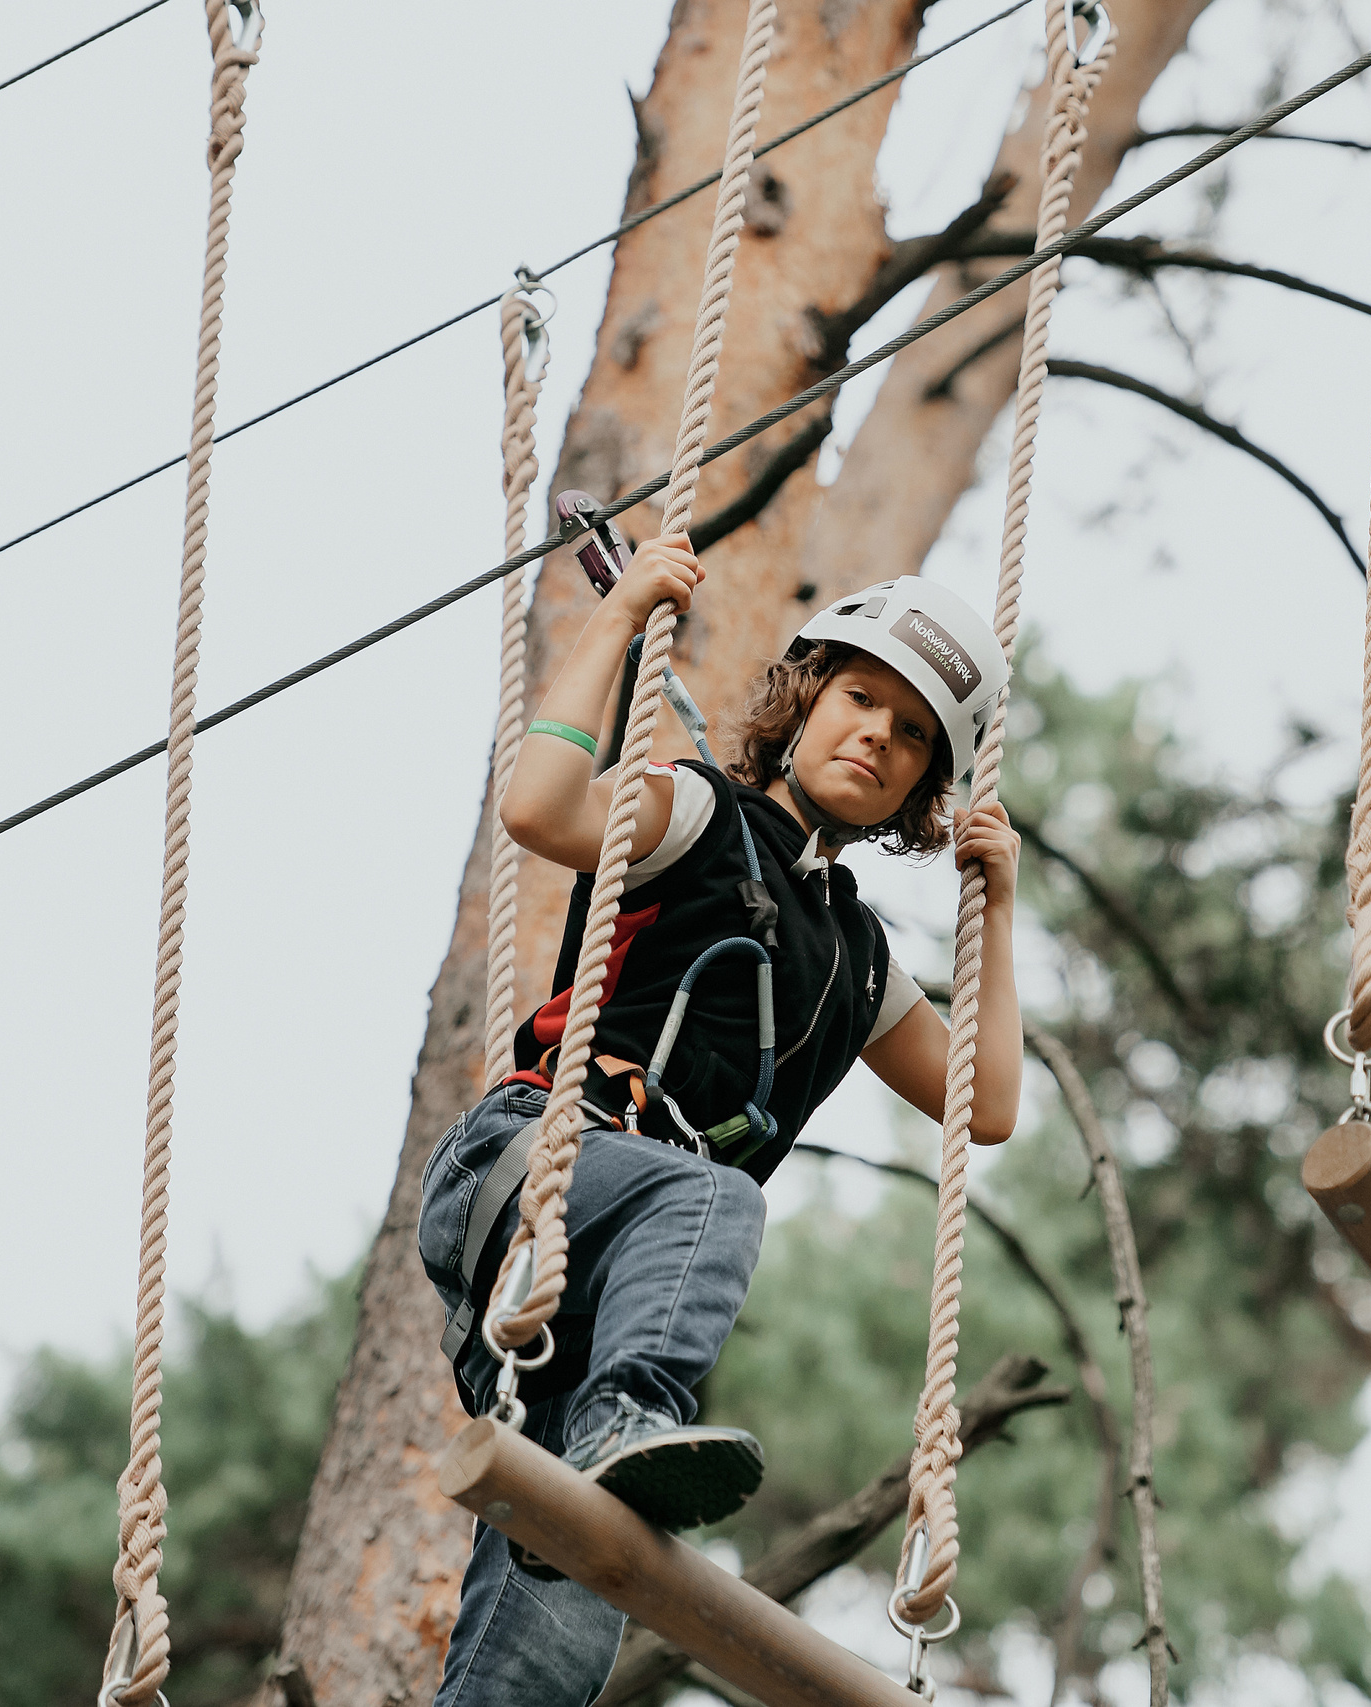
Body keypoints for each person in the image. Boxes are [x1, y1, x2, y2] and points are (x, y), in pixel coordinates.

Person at [417, 534, 1024, 1707]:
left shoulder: (855, 958)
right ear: (804, 701)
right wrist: (624, 611)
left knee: (573, 1599)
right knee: (712, 1195)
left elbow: (983, 1107)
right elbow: (540, 809)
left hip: (592, 1302)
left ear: (919, 789)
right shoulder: (698, 817)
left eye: (909, 737)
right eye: (860, 699)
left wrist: (996, 911)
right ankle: (631, 1417)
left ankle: (610, 1448)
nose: (876, 737)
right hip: (527, 1169)